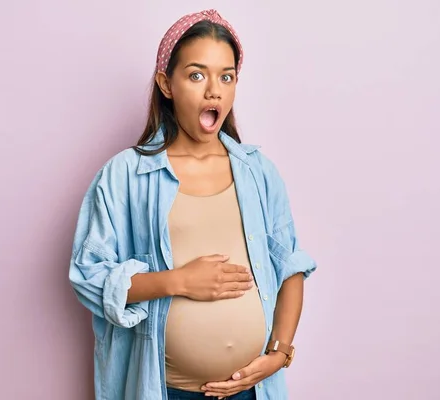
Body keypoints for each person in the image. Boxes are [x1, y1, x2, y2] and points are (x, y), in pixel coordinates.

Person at [69, 9, 317, 400]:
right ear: (166, 84)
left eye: (227, 76)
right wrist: (179, 281)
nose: (214, 90)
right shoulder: (125, 176)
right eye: (197, 75)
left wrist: (280, 352)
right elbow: (88, 276)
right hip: (166, 390)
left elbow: (291, 268)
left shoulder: (258, 172)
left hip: (253, 389)